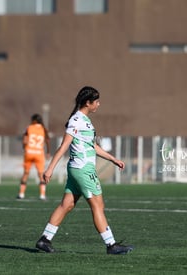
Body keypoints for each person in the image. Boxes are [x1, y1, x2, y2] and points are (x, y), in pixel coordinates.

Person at [35, 86, 134, 254]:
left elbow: (92, 146)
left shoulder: (85, 121)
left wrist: (113, 159)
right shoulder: (77, 120)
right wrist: (50, 168)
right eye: (96, 102)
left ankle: (45, 239)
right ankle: (111, 245)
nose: (99, 104)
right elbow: (64, 146)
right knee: (98, 205)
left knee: (67, 205)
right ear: (88, 103)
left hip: (77, 170)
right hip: (83, 170)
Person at [17, 114, 50, 200]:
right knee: (40, 174)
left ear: (34, 120)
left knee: (26, 173)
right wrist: (48, 152)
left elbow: (25, 140)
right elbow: (47, 140)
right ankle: (42, 195)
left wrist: (24, 148)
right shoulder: (44, 129)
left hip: (29, 152)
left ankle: (21, 194)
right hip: (39, 153)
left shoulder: (29, 127)